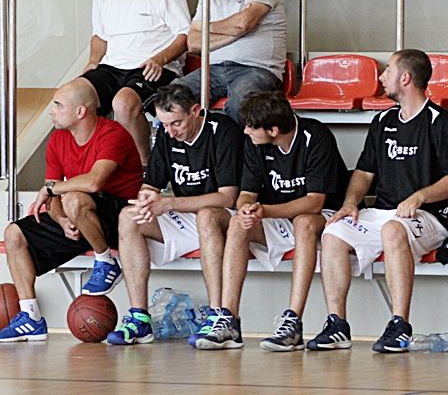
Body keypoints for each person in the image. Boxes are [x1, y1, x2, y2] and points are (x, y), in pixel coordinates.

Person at [306, 49, 448, 353]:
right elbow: (363, 172)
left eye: (388, 71)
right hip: (384, 213)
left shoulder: (441, 122)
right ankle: (337, 324)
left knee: (393, 229)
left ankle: (400, 325)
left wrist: (420, 196)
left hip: (431, 215)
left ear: (405, 78)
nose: (381, 77)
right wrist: (350, 202)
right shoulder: (382, 120)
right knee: (333, 232)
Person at [189, 91, 349, 351]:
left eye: (251, 127)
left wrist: (264, 211)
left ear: (273, 130)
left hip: (327, 215)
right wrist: (246, 209)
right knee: (237, 224)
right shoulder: (254, 142)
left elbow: (315, 202)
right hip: (276, 214)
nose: (245, 131)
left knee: (304, 223)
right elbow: (247, 193)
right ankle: (229, 319)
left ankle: (293, 321)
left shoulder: (316, 136)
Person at [0, 81, 142, 341]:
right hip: (81, 217)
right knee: (13, 233)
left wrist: (54, 191)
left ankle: (106, 262)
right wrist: (62, 219)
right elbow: (52, 195)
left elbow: (94, 182)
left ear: (80, 111)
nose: (51, 111)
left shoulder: (113, 133)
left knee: (74, 199)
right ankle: (31, 317)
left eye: (58, 105)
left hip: (121, 220)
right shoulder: (58, 139)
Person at [107, 84, 244, 345]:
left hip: (223, 216)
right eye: (165, 125)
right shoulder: (167, 134)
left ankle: (218, 316)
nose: (170, 131)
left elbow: (228, 197)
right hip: (185, 214)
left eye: (176, 123)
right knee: (128, 216)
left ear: (195, 111)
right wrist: (145, 200)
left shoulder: (223, 130)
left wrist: (169, 204)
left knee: (206, 215)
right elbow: (152, 183)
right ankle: (139, 318)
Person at [68, 0, 190, 167]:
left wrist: (160, 59)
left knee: (123, 104)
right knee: (71, 96)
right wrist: (93, 61)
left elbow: (185, 36)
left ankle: (144, 168)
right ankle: (89, 166)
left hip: (154, 66)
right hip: (112, 66)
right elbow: (100, 35)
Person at [172, 0, 287, 123]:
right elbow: (192, 43)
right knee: (173, 95)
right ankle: (199, 142)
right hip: (214, 70)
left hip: (256, 69)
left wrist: (207, 28)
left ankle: (232, 144)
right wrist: (236, 31)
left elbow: (244, 23)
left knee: (241, 105)